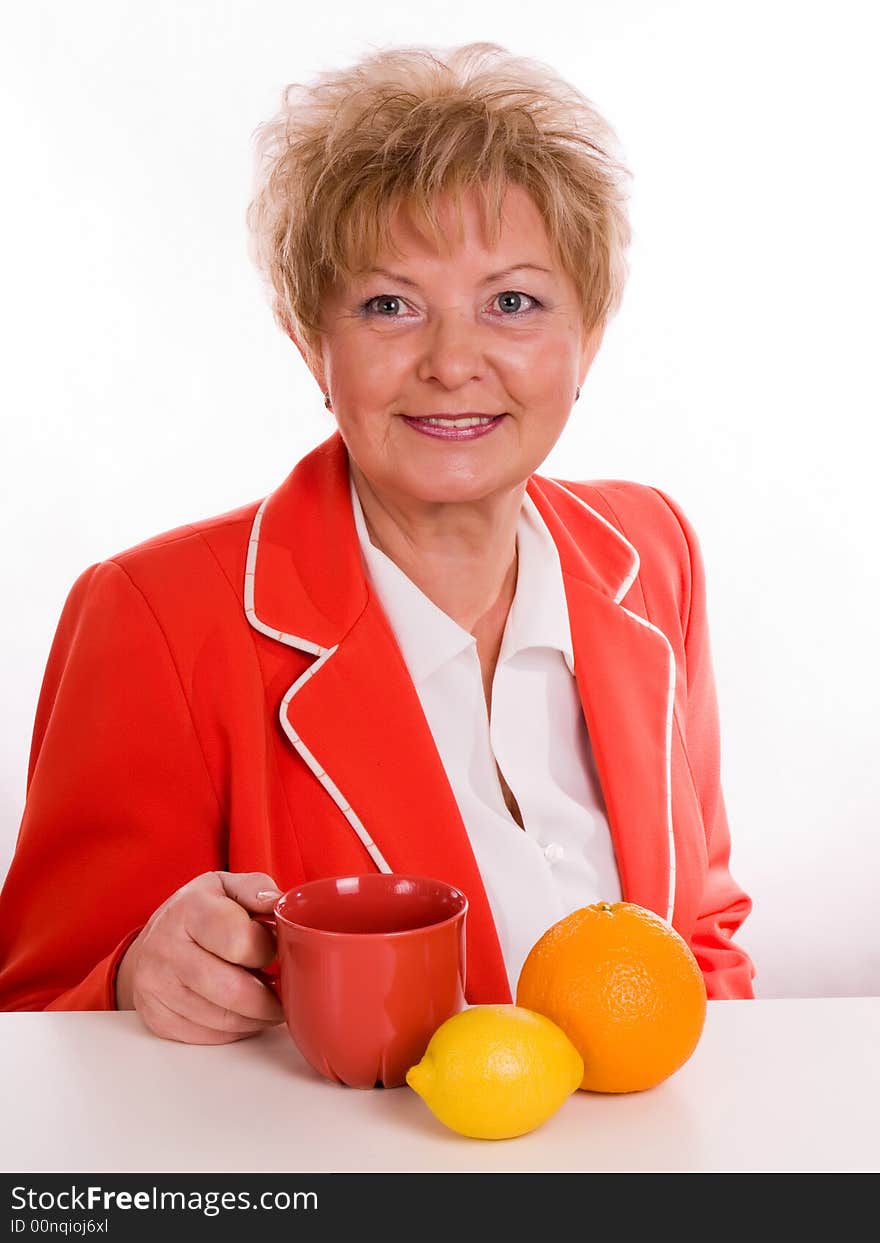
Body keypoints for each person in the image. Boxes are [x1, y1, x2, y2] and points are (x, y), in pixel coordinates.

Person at [0, 41, 755, 1042]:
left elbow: (701, 936)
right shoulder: (153, 617)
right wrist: (137, 976)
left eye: (513, 303)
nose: (451, 362)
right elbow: (33, 1014)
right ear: (309, 337)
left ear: (591, 333)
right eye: (388, 305)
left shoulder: (650, 550)